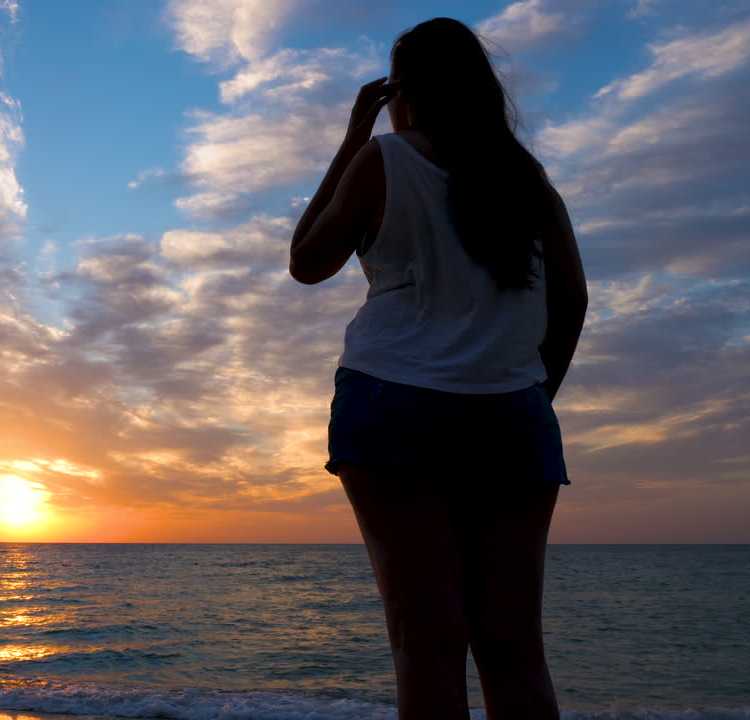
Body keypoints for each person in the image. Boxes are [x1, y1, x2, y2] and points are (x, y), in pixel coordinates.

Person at [288, 17, 588, 720]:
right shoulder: (526, 178)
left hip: (394, 406)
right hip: (511, 413)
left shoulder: (386, 159)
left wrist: (352, 140)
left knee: (425, 642)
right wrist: (530, 393)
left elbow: (307, 261)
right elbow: (570, 299)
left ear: (405, 89)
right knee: (515, 651)